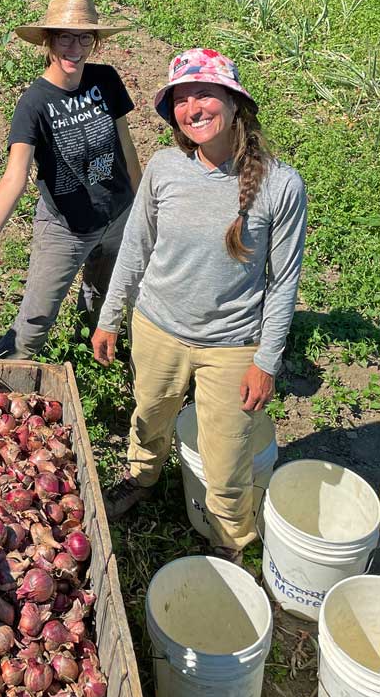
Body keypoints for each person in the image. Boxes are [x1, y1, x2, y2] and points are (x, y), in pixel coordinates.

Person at [92, 48, 307, 564]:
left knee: (229, 455)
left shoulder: (281, 185)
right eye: (181, 100)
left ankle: (230, 541)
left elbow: (284, 283)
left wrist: (265, 361)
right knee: (149, 415)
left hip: (232, 345)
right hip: (157, 327)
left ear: (235, 104)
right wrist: (110, 318)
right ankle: (143, 479)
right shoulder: (165, 169)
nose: (193, 108)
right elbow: (136, 249)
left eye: (204, 94)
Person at [0, 0, 141, 358]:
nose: (74, 47)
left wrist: (143, 211)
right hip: (66, 228)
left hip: (119, 215)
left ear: (94, 42)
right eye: (64, 37)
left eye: (83, 37)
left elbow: (125, 145)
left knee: (103, 301)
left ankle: (88, 364)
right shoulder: (34, 103)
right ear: (48, 41)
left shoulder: (106, 80)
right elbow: (14, 177)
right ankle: (3, 382)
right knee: (35, 320)